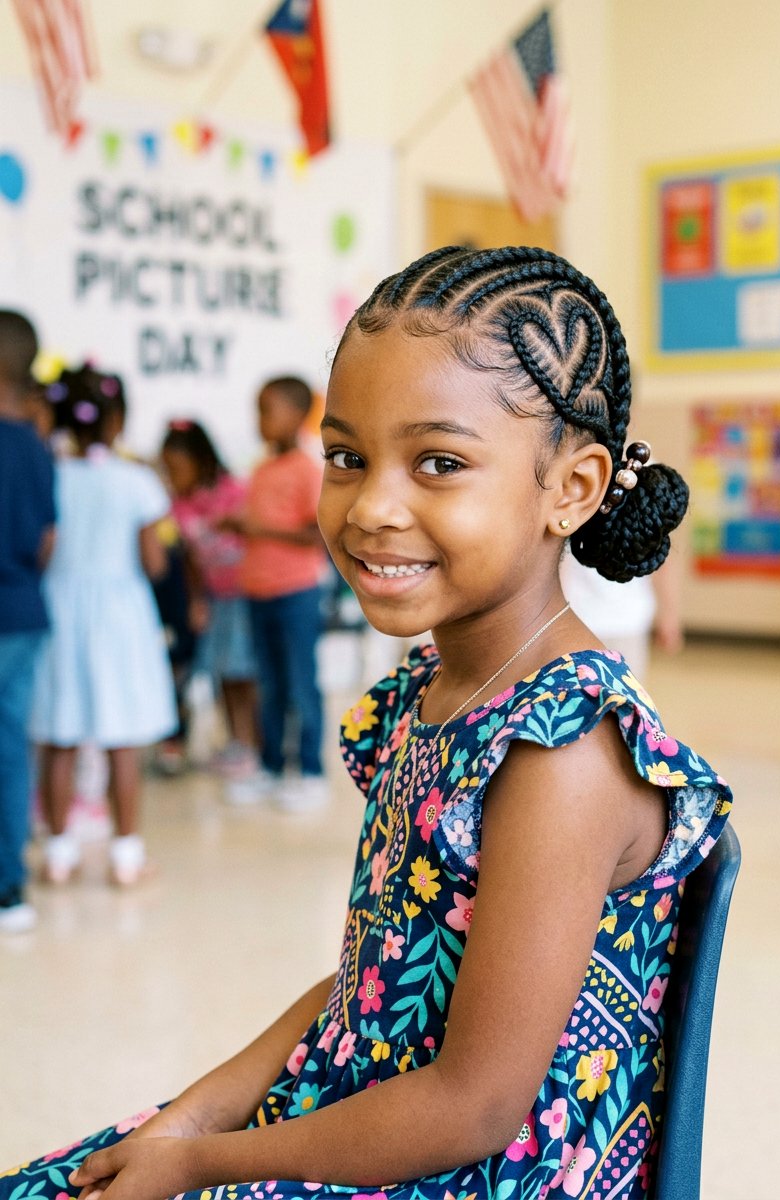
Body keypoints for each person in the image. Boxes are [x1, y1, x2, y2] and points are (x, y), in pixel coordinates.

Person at [1, 248, 732, 1199]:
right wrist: (182, 1121)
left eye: (440, 463)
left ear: (572, 488)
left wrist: (198, 1161)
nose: (372, 507)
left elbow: (475, 1105)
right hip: (368, 1105)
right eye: (346, 457)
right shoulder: (435, 687)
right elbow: (368, 985)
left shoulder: (561, 751)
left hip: (477, 1169)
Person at [29, 365, 177, 886]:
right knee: (122, 740)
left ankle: (59, 854)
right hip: (120, 616)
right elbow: (155, 563)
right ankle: (126, 857)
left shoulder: (51, 473)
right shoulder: (136, 480)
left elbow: (43, 551)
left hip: (61, 612)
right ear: (117, 420)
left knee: (59, 736)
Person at [227, 376, 328, 810]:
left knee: (300, 683)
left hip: (295, 593)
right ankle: (270, 767)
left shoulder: (308, 470)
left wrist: (258, 529)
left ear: (297, 415)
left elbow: (316, 533)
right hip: (258, 592)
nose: (259, 421)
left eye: (267, 410)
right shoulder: (262, 468)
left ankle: (309, 772)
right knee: (268, 684)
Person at [161, 419, 258, 777]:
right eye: (167, 470)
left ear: (201, 461)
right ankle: (237, 743)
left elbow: (254, 535)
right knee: (222, 673)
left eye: (178, 469)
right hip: (215, 599)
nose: (172, 477)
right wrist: (196, 600)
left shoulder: (233, 490)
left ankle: (255, 745)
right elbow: (189, 559)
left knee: (245, 676)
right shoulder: (178, 506)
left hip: (245, 595)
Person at [0, 310, 55, 933]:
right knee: (12, 748)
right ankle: (10, 885)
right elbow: (47, 539)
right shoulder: (37, 448)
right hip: (24, 611)